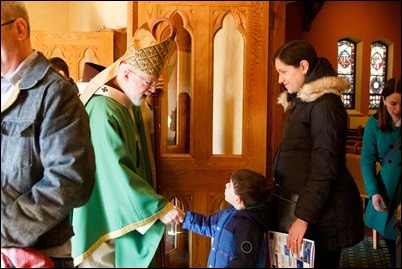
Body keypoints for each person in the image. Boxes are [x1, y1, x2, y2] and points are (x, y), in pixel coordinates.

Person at [71, 17, 185, 268]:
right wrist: (156, 206)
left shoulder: (123, 102)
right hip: (101, 216)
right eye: (147, 81)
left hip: (115, 212)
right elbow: (114, 170)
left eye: (154, 82)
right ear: (124, 72)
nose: (150, 88)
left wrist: (149, 95)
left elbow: (137, 143)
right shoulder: (102, 110)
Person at [1, 1, 96, 268]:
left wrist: (4, 230)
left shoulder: (55, 93)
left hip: (39, 256)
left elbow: (69, 181)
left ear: (19, 29)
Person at [271, 40, 365, 268]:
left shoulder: (326, 105)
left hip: (323, 214)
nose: (280, 80)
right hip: (309, 208)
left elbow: (325, 166)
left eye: (284, 72)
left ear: (303, 67)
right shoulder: (307, 102)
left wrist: (303, 217)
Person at [182, 168, 274, 268]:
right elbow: (208, 225)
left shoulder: (247, 227)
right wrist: (185, 218)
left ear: (238, 199)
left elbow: (243, 263)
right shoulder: (229, 212)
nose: (226, 185)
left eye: (230, 185)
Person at [361, 77, 401, 268]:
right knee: (395, 246)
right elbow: (367, 161)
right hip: (389, 189)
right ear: (383, 100)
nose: (398, 109)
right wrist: (373, 192)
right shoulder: (374, 123)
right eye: (393, 103)